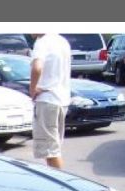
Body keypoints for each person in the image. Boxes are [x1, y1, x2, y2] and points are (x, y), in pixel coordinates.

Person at [29, 33, 71, 169]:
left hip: (47, 99)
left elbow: (37, 67)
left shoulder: (41, 42)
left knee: (51, 152)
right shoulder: (62, 41)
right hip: (62, 100)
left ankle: (61, 186)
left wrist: (32, 88)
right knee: (54, 149)